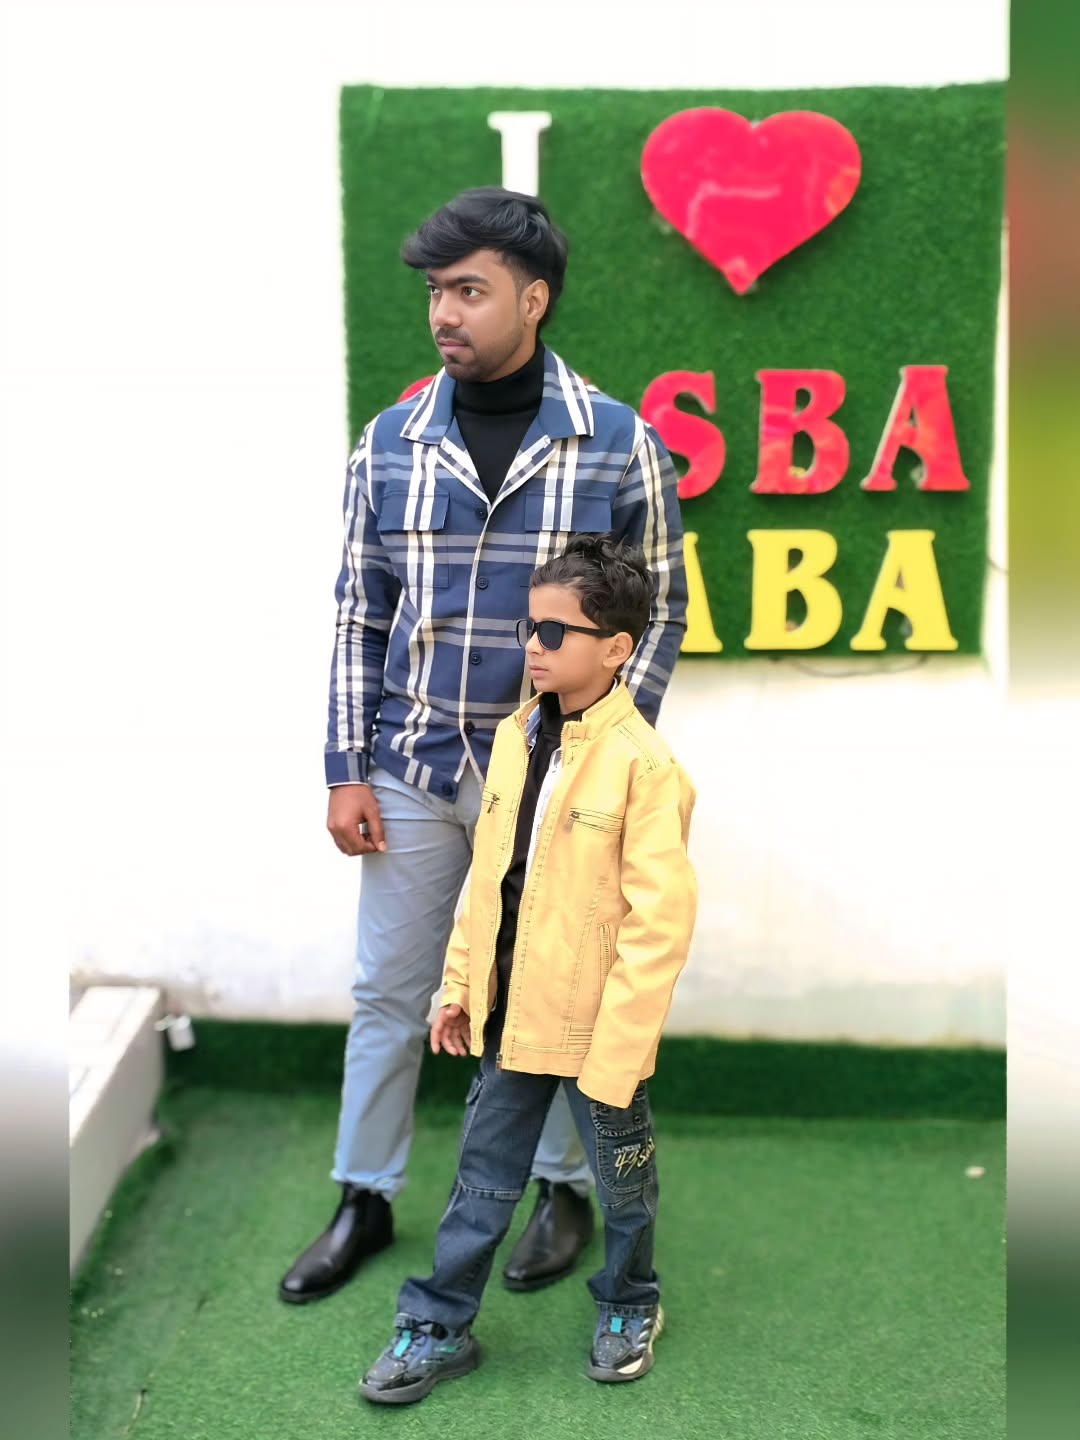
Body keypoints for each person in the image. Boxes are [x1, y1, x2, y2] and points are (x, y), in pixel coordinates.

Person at [279, 188, 688, 1305]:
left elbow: (660, 611)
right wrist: (345, 769)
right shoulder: (390, 444)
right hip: (414, 763)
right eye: (435, 292)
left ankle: (560, 1193)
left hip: (551, 785)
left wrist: (598, 755)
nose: (444, 314)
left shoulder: (618, 444)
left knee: (549, 990)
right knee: (388, 991)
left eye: (469, 290)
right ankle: (364, 1194)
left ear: (534, 298)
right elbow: (359, 614)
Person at [359, 534, 697, 1404]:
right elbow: (490, 882)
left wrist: (620, 1051)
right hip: (511, 1019)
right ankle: (438, 1323)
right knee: (480, 1183)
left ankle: (630, 1301)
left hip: (597, 1032)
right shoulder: (515, 738)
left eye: (556, 632)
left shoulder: (646, 768)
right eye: (530, 627)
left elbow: (659, 926)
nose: (534, 647)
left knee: (625, 1189)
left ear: (616, 649)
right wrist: (461, 987)